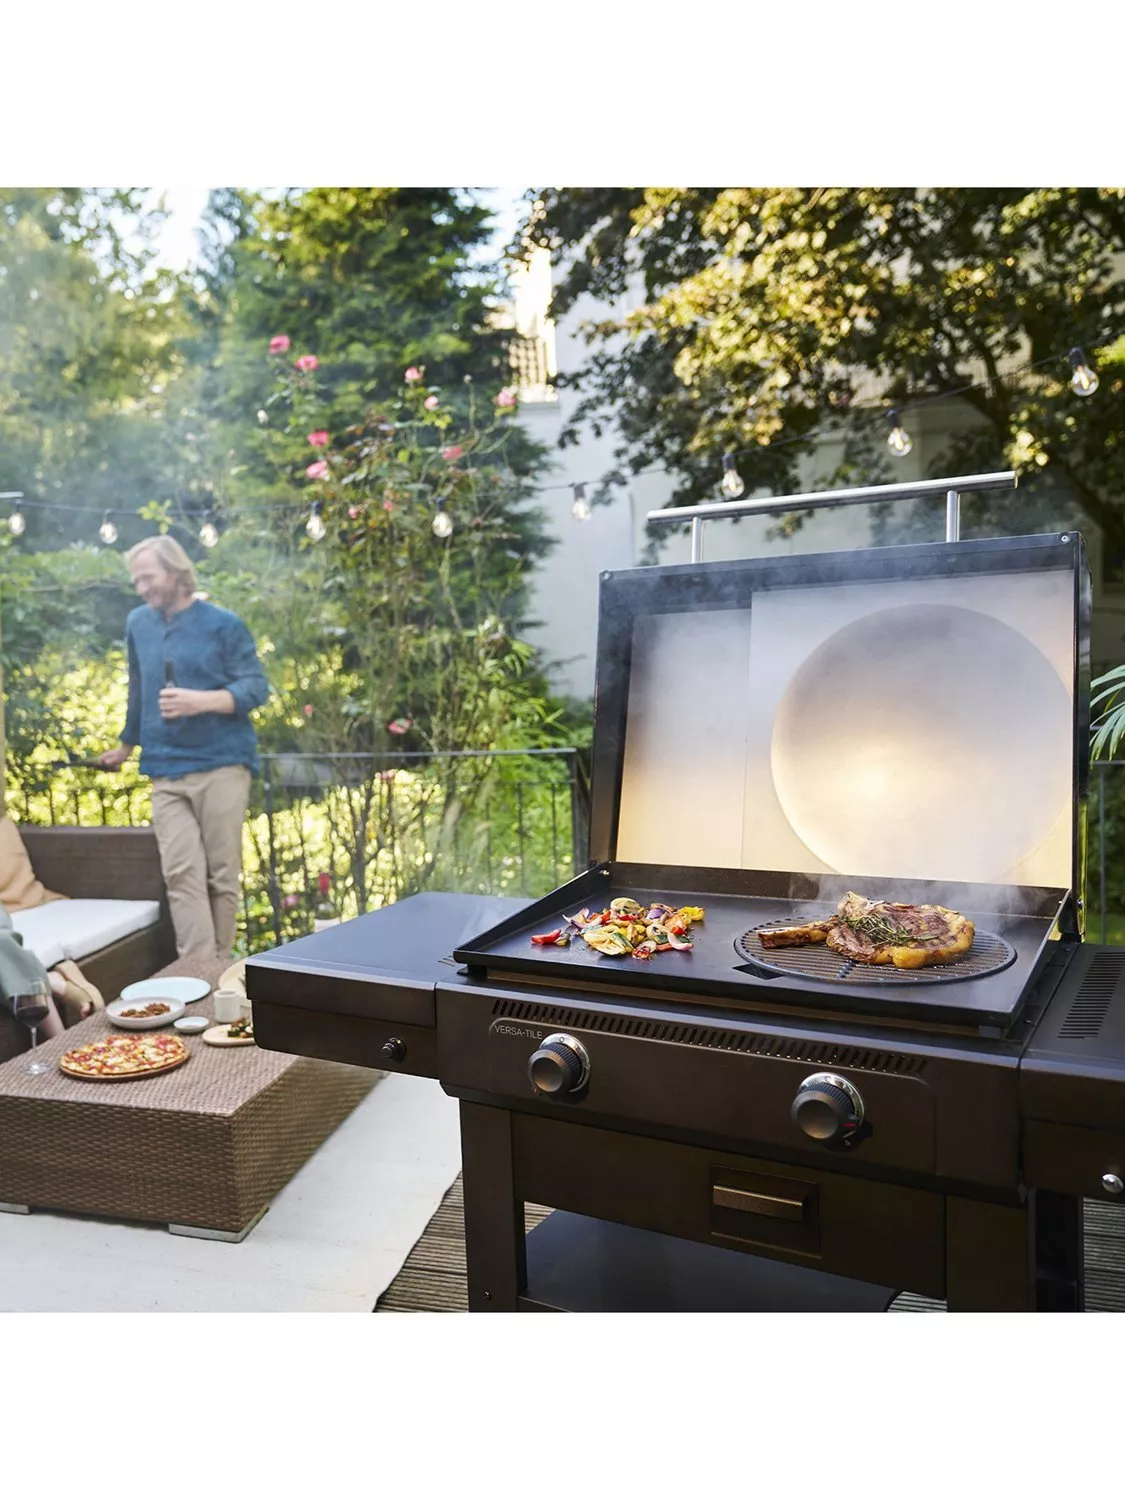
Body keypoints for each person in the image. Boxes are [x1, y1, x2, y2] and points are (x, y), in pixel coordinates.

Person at [98, 536, 271, 969]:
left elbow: (256, 688)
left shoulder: (223, 624)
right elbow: (138, 689)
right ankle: (199, 972)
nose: (141, 587)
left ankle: (220, 967)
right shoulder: (138, 623)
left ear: (175, 572)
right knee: (181, 875)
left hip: (222, 765)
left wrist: (202, 700)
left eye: (148, 577)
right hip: (164, 769)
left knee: (220, 875)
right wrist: (125, 744)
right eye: (136, 579)